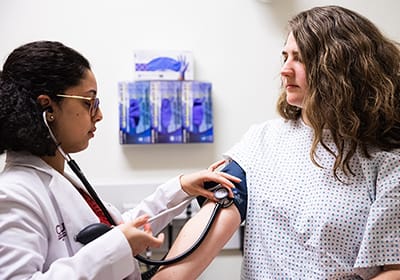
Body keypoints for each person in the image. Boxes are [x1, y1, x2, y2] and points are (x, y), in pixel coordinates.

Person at [152, 5, 400, 280]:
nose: (284, 70)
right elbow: (212, 219)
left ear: (340, 68)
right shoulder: (261, 141)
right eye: (284, 57)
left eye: (299, 58)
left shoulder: (386, 158)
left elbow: (394, 269)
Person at [0, 41, 239, 279]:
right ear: (47, 108)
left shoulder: (57, 179)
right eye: (88, 102)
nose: (99, 115)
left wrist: (180, 187)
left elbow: (114, 231)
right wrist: (116, 248)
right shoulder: (12, 194)